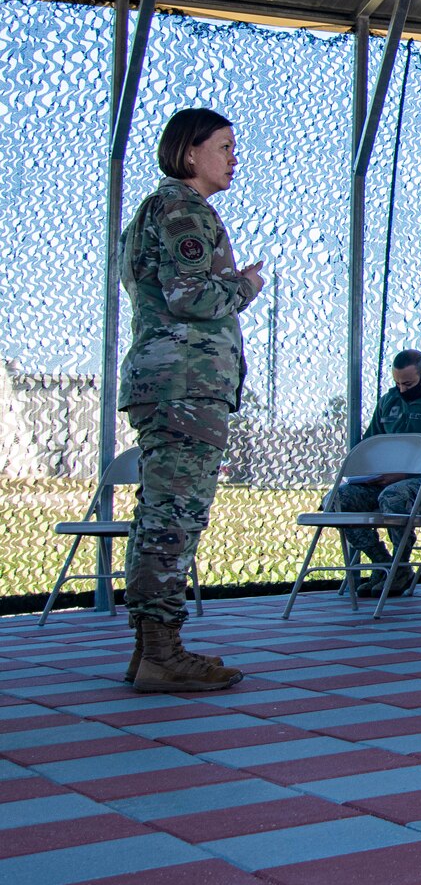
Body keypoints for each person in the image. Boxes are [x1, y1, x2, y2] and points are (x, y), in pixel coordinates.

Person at [116, 108, 264, 693]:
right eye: (224, 145)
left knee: (159, 515)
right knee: (174, 519)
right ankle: (162, 653)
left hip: (166, 382)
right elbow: (192, 296)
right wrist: (244, 285)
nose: (233, 157)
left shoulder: (155, 210)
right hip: (185, 383)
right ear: (189, 151)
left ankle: (149, 649)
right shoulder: (183, 208)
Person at [338, 350, 421, 597]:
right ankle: (385, 564)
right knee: (337, 501)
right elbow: (371, 442)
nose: (401, 389)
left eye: (407, 384)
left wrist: (403, 475)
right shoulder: (389, 401)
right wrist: (369, 473)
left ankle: (401, 562)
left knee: (394, 497)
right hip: (384, 481)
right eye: (397, 383)